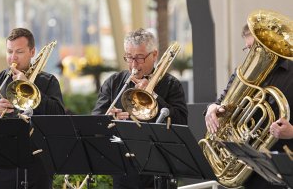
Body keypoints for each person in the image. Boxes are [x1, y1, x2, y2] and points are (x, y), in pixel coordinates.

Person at [0, 28, 66, 188]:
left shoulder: (48, 82)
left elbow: (59, 116)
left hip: (37, 166)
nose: (13, 57)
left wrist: (30, 86)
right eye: (9, 51)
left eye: (19, 52)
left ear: (32, 51)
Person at [92, 28, 188, 189]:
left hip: (160, 170)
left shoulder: (171, 85)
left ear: (155, 55)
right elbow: (94, 124)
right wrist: (107, 120)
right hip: (124, 172)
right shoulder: (114, 83)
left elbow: (181, 121)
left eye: (139, 57)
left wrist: (155, 96)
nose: (133, 64)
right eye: (129, 57)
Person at [204, 24, 293, 189]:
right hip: (250, 169)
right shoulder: (242, 73)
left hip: (284, 170)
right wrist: (212, 108)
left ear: (271, 44)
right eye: (248, 49)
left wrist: (291, 132)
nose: (252, 56)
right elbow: (222, 101)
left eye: (255, 48)